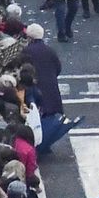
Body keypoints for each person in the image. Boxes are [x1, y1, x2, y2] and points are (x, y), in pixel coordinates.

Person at [20, 24, 70, 154]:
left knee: (36, 118)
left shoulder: (26, 51)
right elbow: (58, 67)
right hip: (50, 87)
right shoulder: (50, 50)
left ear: (29, 37)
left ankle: (38, 144)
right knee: (49, 117)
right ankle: (47, 143)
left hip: (34, 88)